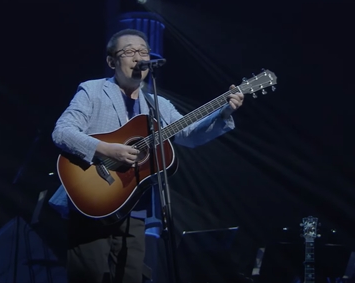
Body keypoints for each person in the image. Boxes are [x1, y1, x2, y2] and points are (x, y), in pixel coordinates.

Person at [49, 28, 244, 283]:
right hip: (92, 200)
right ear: (112, 62)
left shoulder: (157, 104)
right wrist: (107, 149)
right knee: (90, 277)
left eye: (143, 51)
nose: (138, 56)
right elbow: (62, 132)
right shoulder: (92, 91)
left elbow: (189, 134)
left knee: (132, 277)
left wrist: (223, 113)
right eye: (129, 51)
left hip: (134, 206)